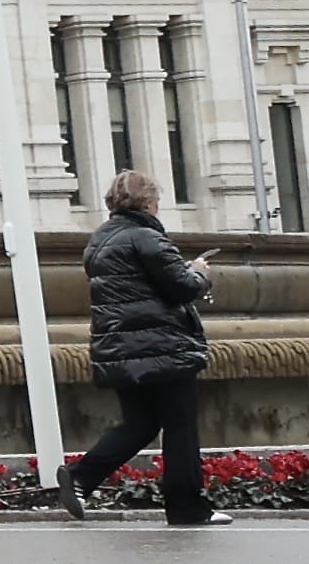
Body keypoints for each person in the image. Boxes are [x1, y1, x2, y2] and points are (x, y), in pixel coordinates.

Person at [50, 169, 224, 526]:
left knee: (140, 423)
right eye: (156, 199)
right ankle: (186, 508)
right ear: (147, 202)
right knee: (180, 427)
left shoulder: (100, 240)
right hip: (162, 348)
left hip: (119, 348)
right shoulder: (146, 237)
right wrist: (200, 272)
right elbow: (181, 286)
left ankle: (81, 476)